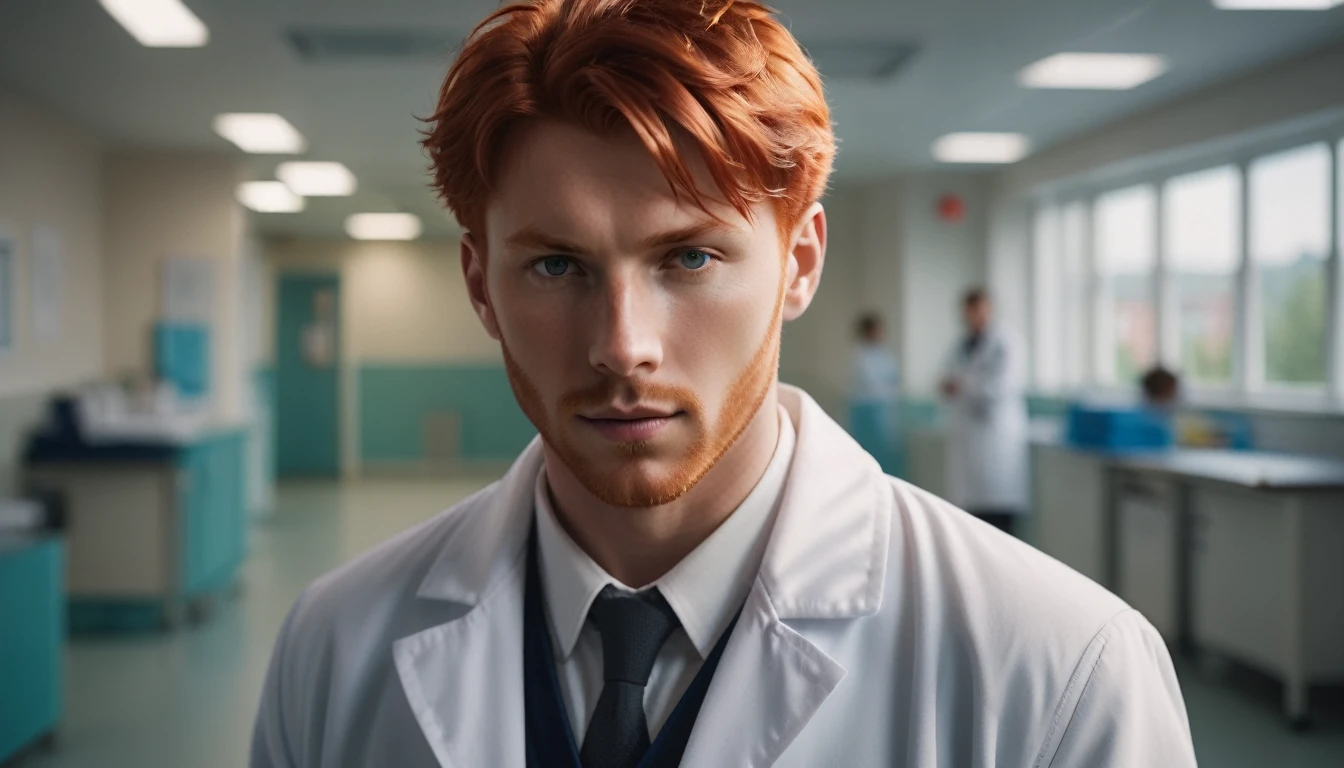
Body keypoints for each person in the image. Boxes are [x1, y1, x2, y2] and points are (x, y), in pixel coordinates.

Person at [251, 2, 1197, 766]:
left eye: (691, 257)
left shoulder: (1064, 674)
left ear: (799, 264)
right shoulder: (334, 648)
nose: (624, 349)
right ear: (478, 285)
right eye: (556, 268)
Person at [939, 288, 1029, 536]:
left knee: (999, 526)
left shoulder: (1006, 343)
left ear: (989, 308)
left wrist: (964, 386)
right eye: (969, 310)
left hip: (996, 439)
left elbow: (1006, 386)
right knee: (971, 525)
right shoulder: (961, 345)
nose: (973, 315)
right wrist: (951, 386)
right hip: (969, 441)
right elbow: (949, 378)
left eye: (978, 309)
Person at [848, 312, 900, 474]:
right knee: (868, 458)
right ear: (868, 331)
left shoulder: (886, 355)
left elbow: (894, 382)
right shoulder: (860, 356)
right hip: (867, 414)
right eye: (877, 329)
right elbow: (871, 385)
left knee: (884, 458)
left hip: (884, 413)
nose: (881, 333)